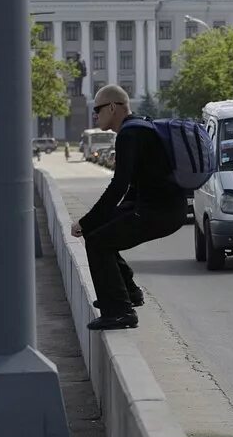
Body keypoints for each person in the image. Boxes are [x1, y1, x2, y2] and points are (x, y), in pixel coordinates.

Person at [70, 85, 188, 330]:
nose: (95, 115)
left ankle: (119, 311)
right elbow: (134, 185)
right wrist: (102, 220)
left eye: (98, 109)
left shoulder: (129, 134)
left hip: (159, 211)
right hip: (164, 208)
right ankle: (130, 293)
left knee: (97, 242)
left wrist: (86, 221)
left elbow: (118, 186)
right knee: (101, 233)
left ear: (112, 107)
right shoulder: (139, 127)